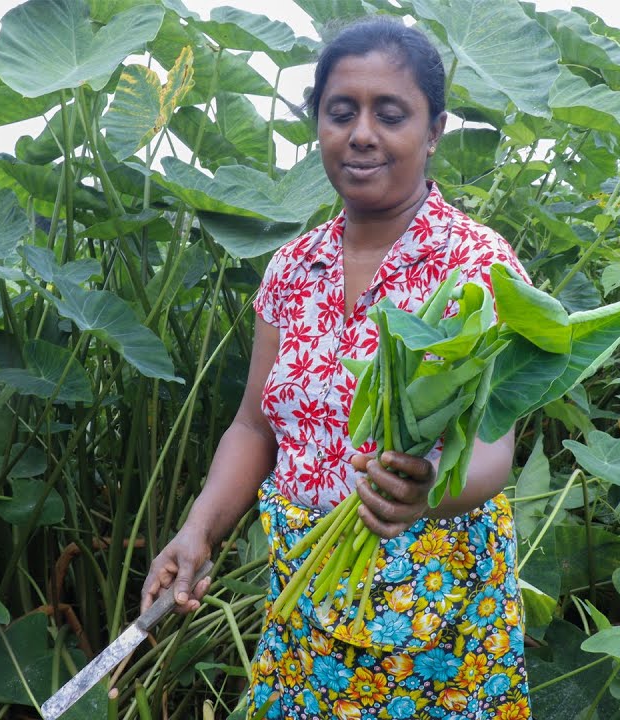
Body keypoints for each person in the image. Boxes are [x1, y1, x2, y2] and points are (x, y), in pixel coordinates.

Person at [142, 17, 531, 719]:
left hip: (434, 605)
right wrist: (199, 528)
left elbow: (495, 447)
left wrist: (422, 494)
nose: (361, 134)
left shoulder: (477, 267)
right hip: (306, 593)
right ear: (316, 123)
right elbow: (254, 427)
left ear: (434, 129)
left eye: (391, 114)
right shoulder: (292, 268)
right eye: (340, 111)